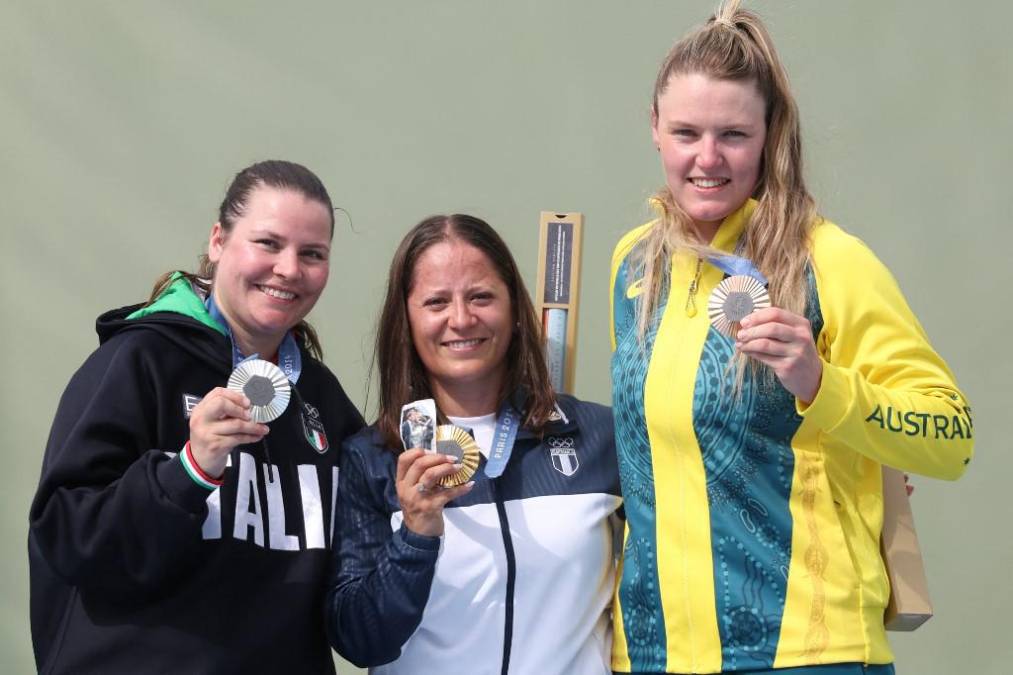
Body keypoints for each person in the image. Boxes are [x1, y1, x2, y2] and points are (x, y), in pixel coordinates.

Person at [609, 2, 974, 674]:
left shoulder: (827, 259)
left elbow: (949, 437)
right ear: (654, 129)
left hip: (808, 652)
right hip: (651, 654)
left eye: (733, 135)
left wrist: (820, 385)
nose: (707, 157)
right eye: (686, 131)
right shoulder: (633, 266)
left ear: (768, 134)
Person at [28, 160, 364, 674]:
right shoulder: (139, 361)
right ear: (218, 241)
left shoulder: (321, 398)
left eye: (312, 254)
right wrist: (187, 471)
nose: (290, 269)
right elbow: (67, 540)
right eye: (268, 243)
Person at [327, 214, 621, 674]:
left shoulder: (598, 436)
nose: (461, 319)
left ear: (515, 310)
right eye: (436, 302)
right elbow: (361, 640)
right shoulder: (373, 458)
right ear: (406, 320)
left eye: (481, 296)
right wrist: (416, 534)